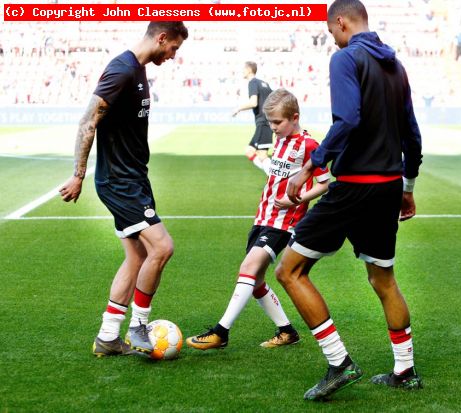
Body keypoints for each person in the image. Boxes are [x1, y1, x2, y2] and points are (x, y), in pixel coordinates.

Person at [274, 0, 423, 401]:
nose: (332, 39)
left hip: (354, 186)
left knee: (289, 271)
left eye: (330, 31)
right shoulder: (396, 65)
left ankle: (339, 363)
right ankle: (405, 370)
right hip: (389, 185)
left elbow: (348, 120)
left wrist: (310, 166)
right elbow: (411, 132)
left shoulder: (345, 59)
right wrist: (407, 187)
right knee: (383, 278)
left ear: (340, 22)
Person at [59, 21, 188, 357]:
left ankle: (107, 336)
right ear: (161, 38)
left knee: (137, 256)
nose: (173, 55)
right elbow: (89, 120)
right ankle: (138, 326)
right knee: (162, 248)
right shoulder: (122, 69)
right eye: (173, 47)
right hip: (120, 182)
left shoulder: (138, 69)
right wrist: (78, 174)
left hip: (133, 179)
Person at [186, 88, 330, 351]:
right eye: (270, 123)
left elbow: (324, 184)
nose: (273, 128)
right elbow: (278, 174)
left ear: (294, 117)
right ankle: (287, 332)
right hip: (262, 217)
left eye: (277, 122)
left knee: (249, 269)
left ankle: (221, 333)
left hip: (283, 223)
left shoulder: (309, 145)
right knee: (256, 282)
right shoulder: (282, 140)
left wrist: (295, 200)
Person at [232, 61, 273, 174]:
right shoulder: (264, 83)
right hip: (267, 121)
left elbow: (253, 102)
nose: (242, 71)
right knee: (254, 153)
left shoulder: (253, 82)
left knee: (260, 154)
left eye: (243, 69)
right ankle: (274, 178)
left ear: (249, 70)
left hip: (263, 122)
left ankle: (276, 180)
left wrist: (238, 108)